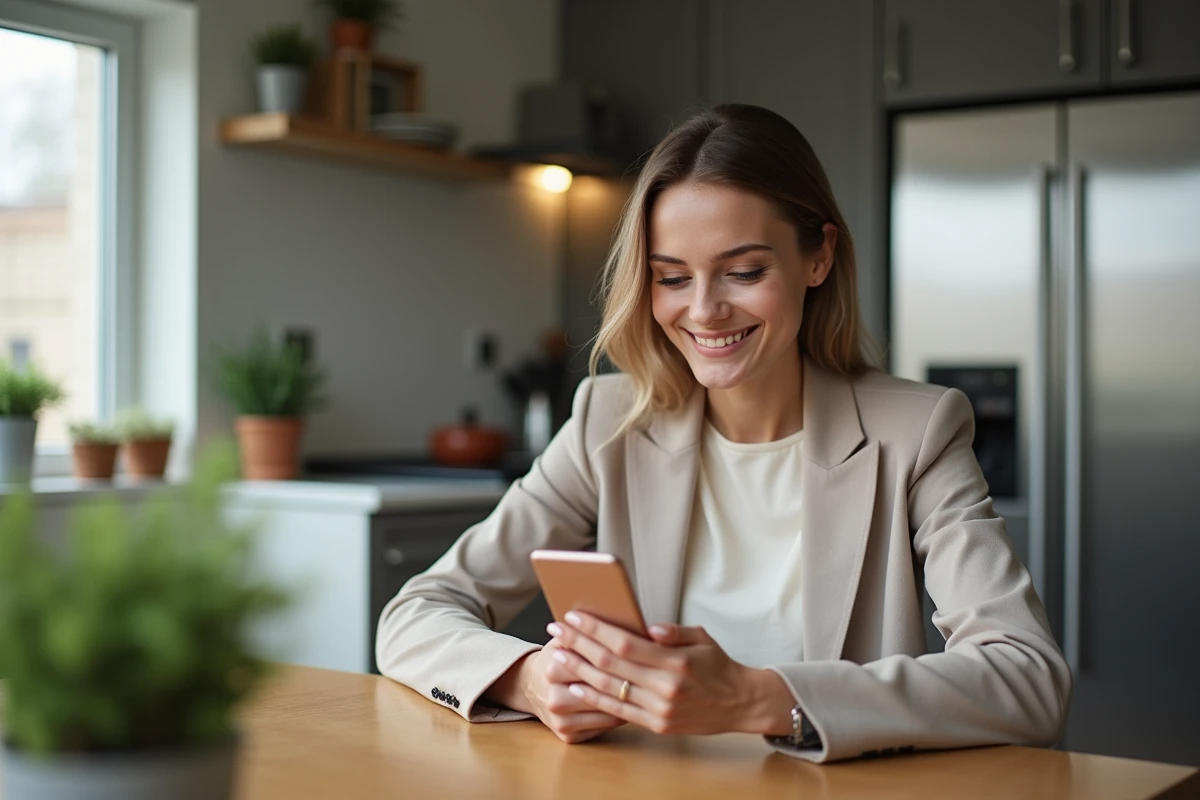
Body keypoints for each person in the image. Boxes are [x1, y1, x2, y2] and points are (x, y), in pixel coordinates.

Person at [376, 104, 1071, 763]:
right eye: (672, 278)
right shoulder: (608, 422)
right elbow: (417, 614)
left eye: (744, 272)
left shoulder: (915, 431)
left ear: (818, 258)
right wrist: (529, 678)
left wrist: (757, 699)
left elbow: (1027, 676)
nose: (705, 311)